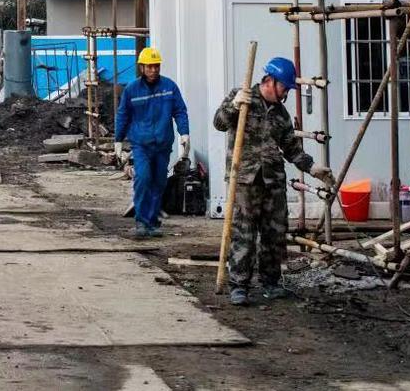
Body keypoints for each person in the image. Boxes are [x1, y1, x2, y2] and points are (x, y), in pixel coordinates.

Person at [212, 56, 337, 305]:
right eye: (285, 87)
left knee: (274, 233)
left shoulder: (281, 114)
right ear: (271, 81)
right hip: (245, 179)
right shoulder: (243, 97)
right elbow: (219, 123)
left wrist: (313, 168)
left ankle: (270, 282)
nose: (286, 93)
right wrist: (234, 106)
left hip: (273, 181)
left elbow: (291, 147)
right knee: (244, 233)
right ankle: (240, 285)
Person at [113, 46, 191, 238]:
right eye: (149, 66)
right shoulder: (132, 90)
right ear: (142, 67)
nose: (153, 70)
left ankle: (153, 221)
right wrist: (118, 139)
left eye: (156, 66)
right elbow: (123, 115)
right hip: (141, 144)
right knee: (144, 178)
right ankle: (142, 221)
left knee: (159, 182)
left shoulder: (169, 87)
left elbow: (180, 110)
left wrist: (184, 133)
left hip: (163, 144)